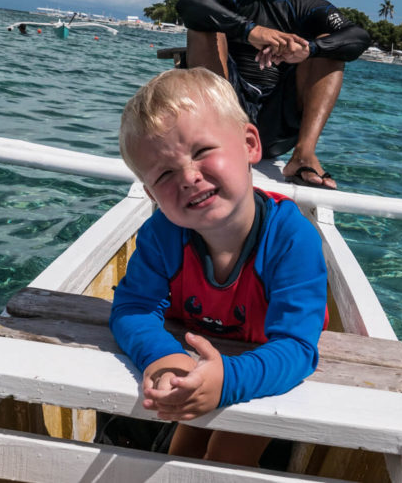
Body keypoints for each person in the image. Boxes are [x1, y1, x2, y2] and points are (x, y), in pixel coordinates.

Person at [111, 68, 328, 466]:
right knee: (181, 451)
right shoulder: (161, 235)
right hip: (199, 357)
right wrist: (165, 361)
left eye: (202, 152)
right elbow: (133, 308)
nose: (190, 177)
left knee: (228, 454)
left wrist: (226, 380)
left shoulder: (292, 239)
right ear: (151, 194)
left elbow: (297, 347)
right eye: (164, 174)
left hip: (265, 359)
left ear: (249, 144)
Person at [176, 0, 370, 190]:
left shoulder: (309, 7)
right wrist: (250, 31)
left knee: (331, 45)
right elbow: (188, 4)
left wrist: (308, 50)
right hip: (224, 115)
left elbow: (359, 37)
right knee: (204, 21)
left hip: (277, 125)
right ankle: (213, 142)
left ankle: (303, 155)